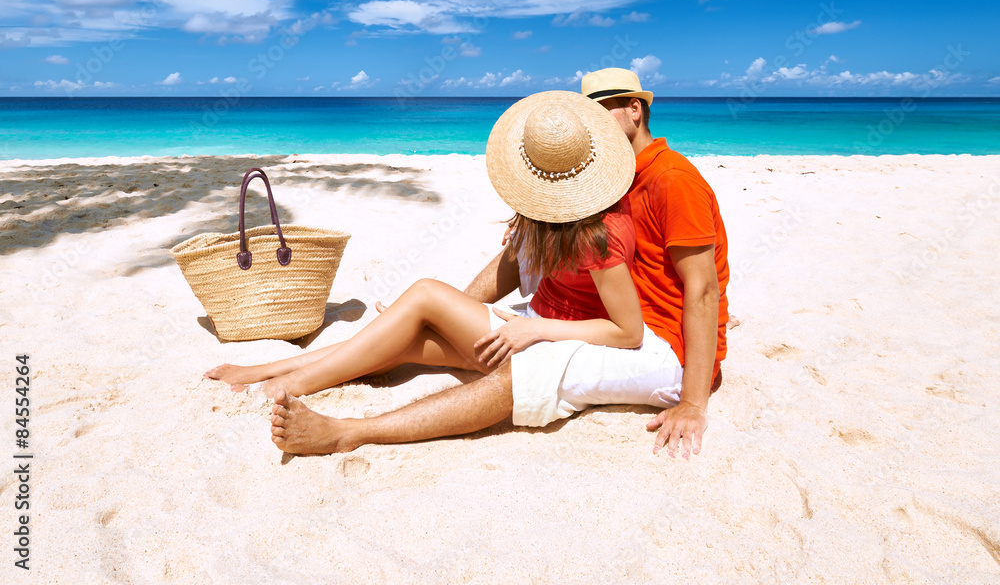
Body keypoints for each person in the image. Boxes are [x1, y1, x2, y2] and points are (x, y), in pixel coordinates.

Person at [268, 68, 730, 459]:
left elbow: (703, 291)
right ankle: (275, 373)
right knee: (432, 312)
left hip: (663, 343)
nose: (594, 124)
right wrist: (456, 315)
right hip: (607, 317)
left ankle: (350, 432)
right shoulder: (608, 174)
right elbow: (535, 259)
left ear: (635, 109)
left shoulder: (671, 180)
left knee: (521, 376)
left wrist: (693, 400)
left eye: (603, 109)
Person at [205, 90, 644, 405]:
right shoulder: (554, 218)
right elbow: (514, 271)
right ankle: (269, 370)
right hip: (528, 329)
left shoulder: (600, 234)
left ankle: (291, 385)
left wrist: (537, 329)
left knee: (425, 294)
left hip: (552, 342)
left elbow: (629, 332)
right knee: (394, 339)